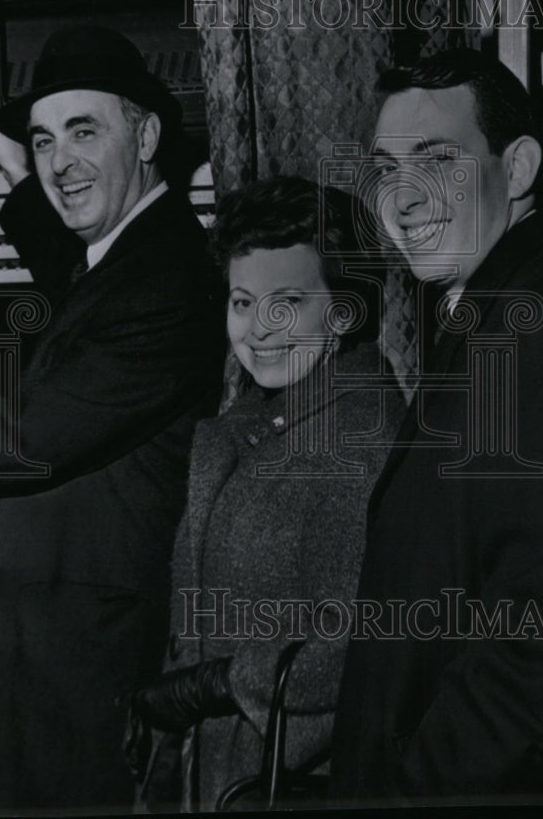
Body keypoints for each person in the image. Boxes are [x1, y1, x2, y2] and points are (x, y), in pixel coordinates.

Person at [0, 25, 224, 813]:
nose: (59, 160)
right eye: (44, 139)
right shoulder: (134, 250)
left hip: (94, 649)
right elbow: (79, 277)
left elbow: (21, 440)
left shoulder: (168, 282)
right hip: (60, 624)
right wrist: (25, 181)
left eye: (85, 132)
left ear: (146, 133)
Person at [330, 49, 543, 806]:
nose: (404, 199)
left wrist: (414, 790)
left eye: (435, 162)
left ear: (516, 169)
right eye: (386, 170)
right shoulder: (496, 306)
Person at [125, 176, 406, 811]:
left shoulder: (355, 439)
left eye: (288, 302)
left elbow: (351, 643)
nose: (257, 330)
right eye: (242, 302)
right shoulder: (262, 419)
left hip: (285, 783)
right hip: (228, 772)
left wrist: (218, 683)